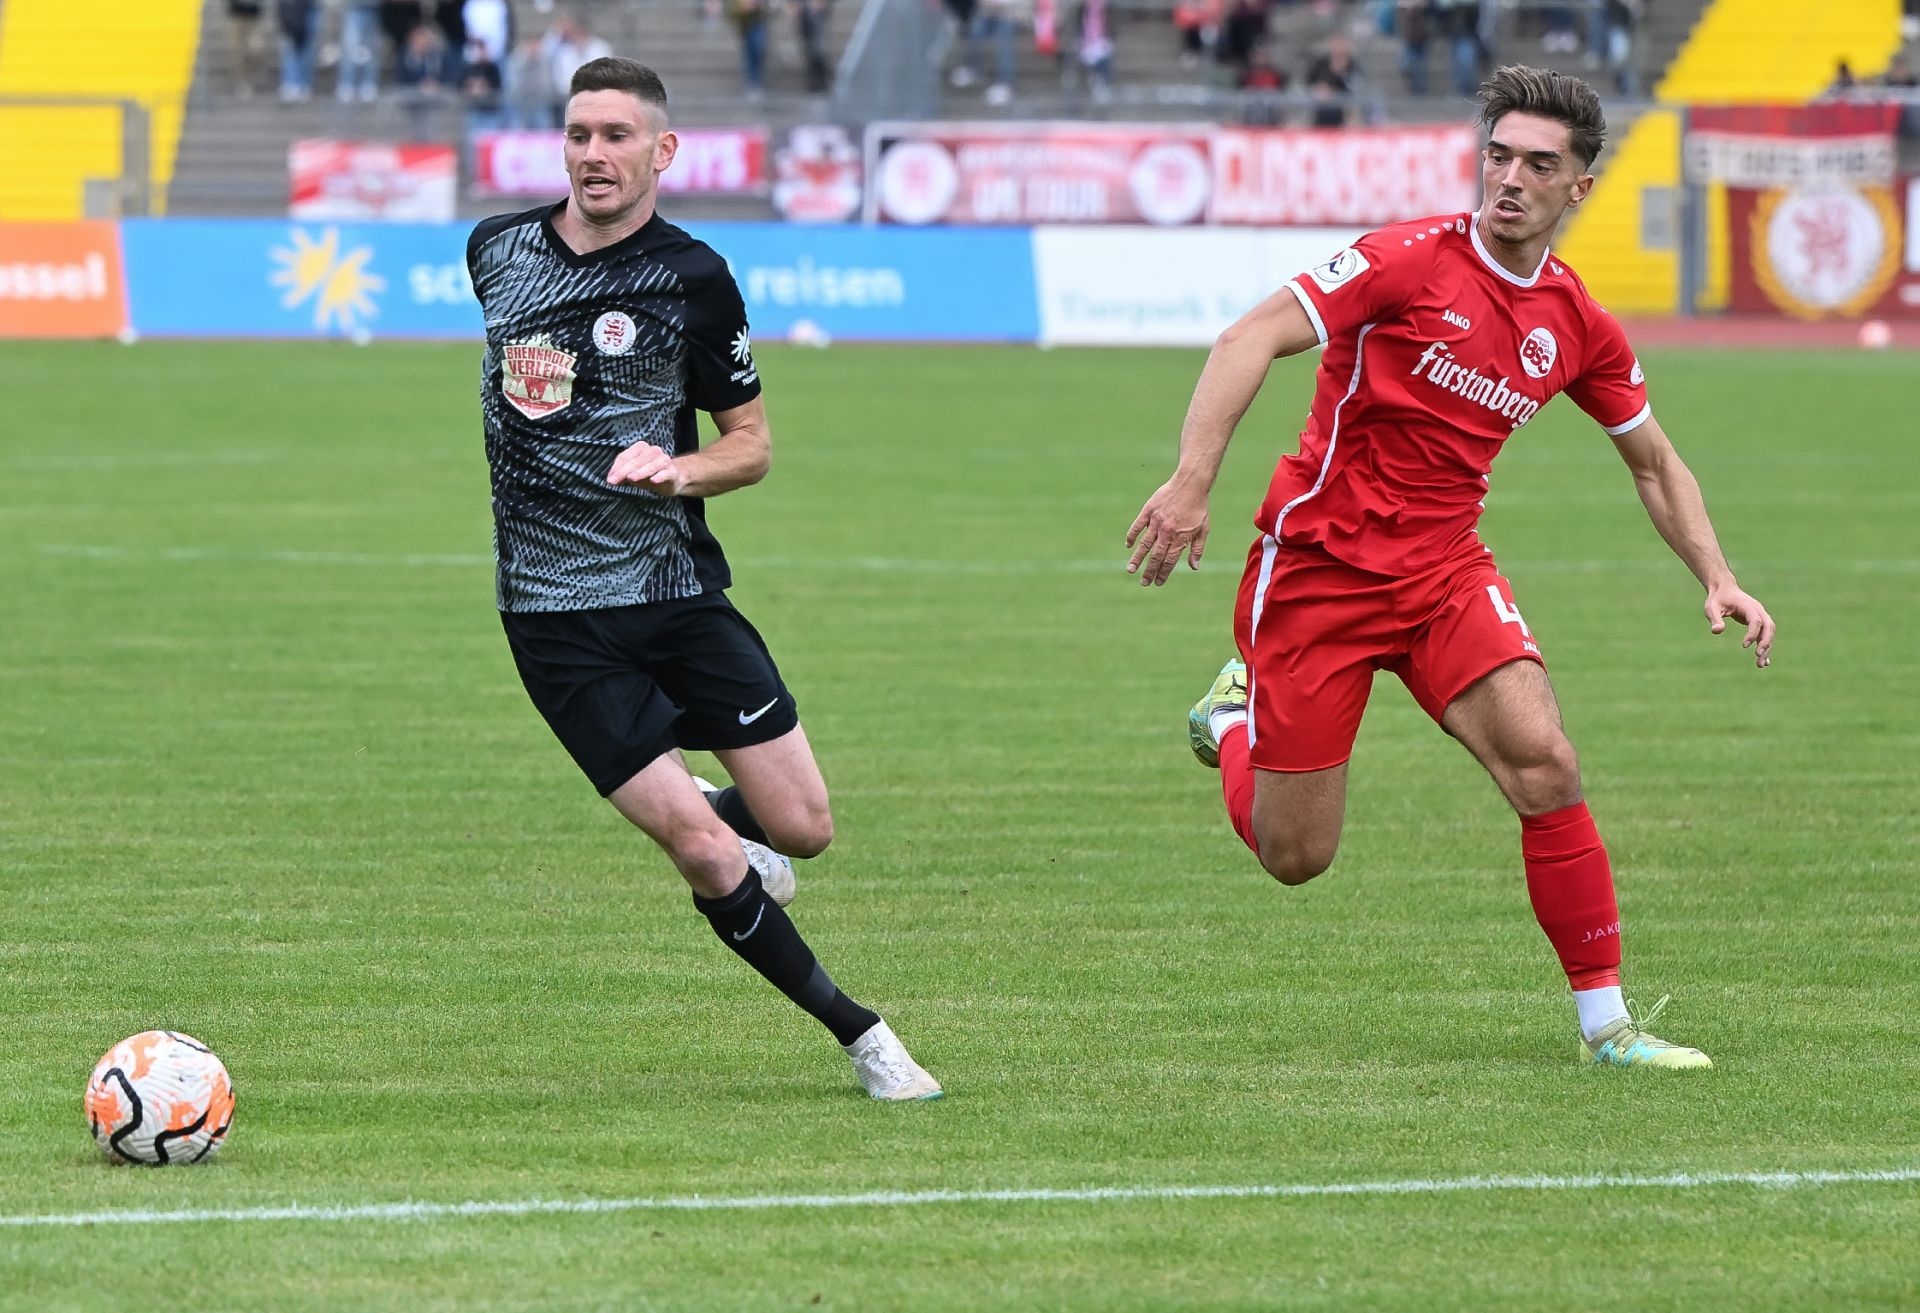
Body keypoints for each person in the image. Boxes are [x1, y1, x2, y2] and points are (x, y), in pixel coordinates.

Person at [1125, 65, 1775, 1069]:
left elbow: (1652, 460)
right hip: (1319, 571)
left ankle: (1608, 1026)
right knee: (1297, 856)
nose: (1510, 178)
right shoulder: (1405, 260)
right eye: (1499, 155)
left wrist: (1717, 573)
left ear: (1579, 186)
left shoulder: (1575, 321)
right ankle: (1231, 718)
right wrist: (1191, 480)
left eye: (1539, 165)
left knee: (1546, 763)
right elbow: (1249, 335)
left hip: (1443, 574)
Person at [466, 57, 942, 1101]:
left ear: (662, 151)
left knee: (804, 827)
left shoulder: (695, 278)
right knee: (699, 845)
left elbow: (752, 445)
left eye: (617, 135)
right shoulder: (496, 250)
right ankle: (865, 1036)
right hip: (552, 615)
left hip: (674, 591)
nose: (595, 154)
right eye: (580, 134)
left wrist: (676, 469)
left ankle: (723, 811)